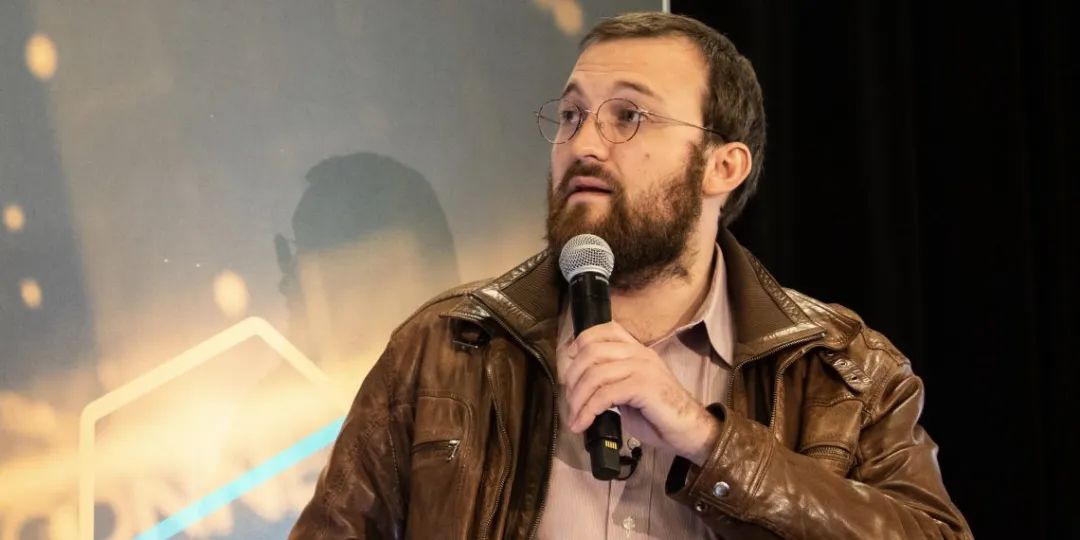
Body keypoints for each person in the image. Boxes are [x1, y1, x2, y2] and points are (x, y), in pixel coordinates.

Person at [290, 12, 971, 539]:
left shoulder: (841, 371)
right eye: (571, 115)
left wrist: (707, 440)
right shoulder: (446, 347)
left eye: (628, 116)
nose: (583, 143)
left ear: (722, 167)